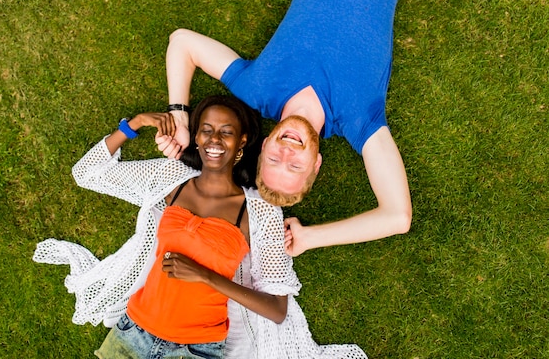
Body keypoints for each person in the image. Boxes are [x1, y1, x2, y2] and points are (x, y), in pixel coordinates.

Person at [33, 95, 368, 358]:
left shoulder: (260, 212)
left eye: (227, 132)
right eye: (206, 129)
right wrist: (133, 124)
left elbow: (277, 310)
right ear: (195, 138)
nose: (214, 139)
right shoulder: (170, 179)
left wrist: (207, 275)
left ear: (242, 144)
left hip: (196, 349)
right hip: (134, 330)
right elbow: (87, 174)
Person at [158, 0, 417, 257]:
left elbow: (182, 42)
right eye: (295, 165)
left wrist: (180, 117)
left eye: (274, 159)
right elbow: (397, 216)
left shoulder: (257, 89)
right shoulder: (360, 121)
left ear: (265, 144)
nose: (287, 151)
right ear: (316, 164)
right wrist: (309, 238)